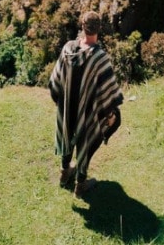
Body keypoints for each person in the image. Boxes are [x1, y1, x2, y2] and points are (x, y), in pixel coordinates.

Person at [49, 10, 123, 197]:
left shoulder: (67, 49)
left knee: (68, 131)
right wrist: (110, 113)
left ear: (82, 27)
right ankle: (80, 184)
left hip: (67, 108)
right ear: (99, 29)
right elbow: (108, 93)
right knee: (87, 139)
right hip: (86, 112)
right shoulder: (99, 58)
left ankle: (65, 172)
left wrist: (63, 102)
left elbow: (55, 81)